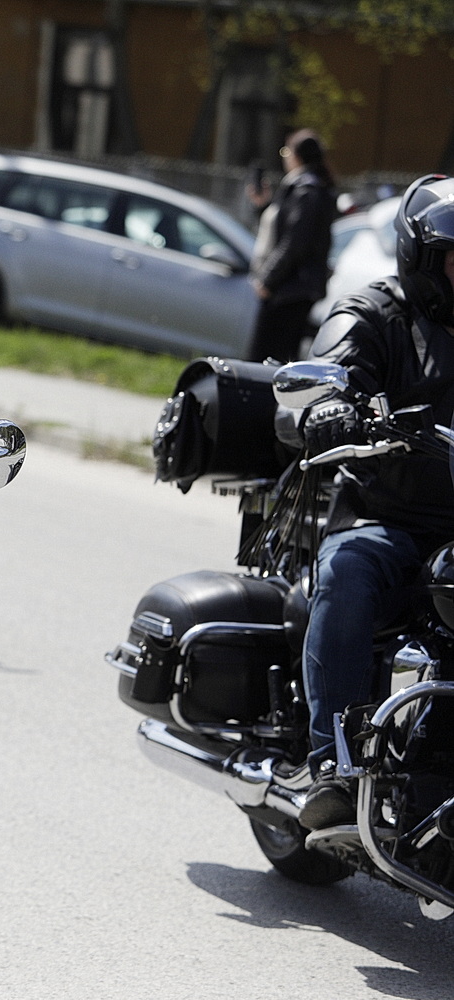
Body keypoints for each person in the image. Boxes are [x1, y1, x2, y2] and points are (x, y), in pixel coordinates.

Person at [296, 173, 454, 829]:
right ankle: (332, 764)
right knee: (349, 572)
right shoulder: (374, 313)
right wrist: (330, 407)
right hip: (383, 516)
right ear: (423, 258)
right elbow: (327, 377)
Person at [246, 129, 335, 362]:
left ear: (297, 156)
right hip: (292, 288)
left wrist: (268, 280)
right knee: (276, 358)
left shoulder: (306, 190)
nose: (284, 158)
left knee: (267, 359)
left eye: (286, 152)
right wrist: (263, 205)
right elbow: (285, 232)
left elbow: (295, 244)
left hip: (290, 290)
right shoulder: (304, 188)